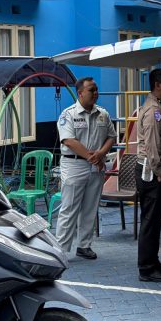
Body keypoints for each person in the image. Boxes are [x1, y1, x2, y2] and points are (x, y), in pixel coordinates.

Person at [56, 77, 117, 260]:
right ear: (80, 93)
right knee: (69, 208)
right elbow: (69, 140)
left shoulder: (103, 114)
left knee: (90, 208)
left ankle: (84, 245)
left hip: (95, 167)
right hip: (74, 165)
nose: (95, 93)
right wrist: (93, 157)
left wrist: (101, 153)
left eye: (96, 89)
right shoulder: (68, 114)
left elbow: (111, 136)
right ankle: (60, 250)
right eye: (91, 90)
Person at [135, 67, 161, 282]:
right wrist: (159, 172)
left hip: (153, 170)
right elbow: (152, 145)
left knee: (154, 217)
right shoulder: (153, 111)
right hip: (151, 172)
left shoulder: (158, 107)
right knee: (150, 220)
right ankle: (146, 268)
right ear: (158, 85)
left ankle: (152, 261)